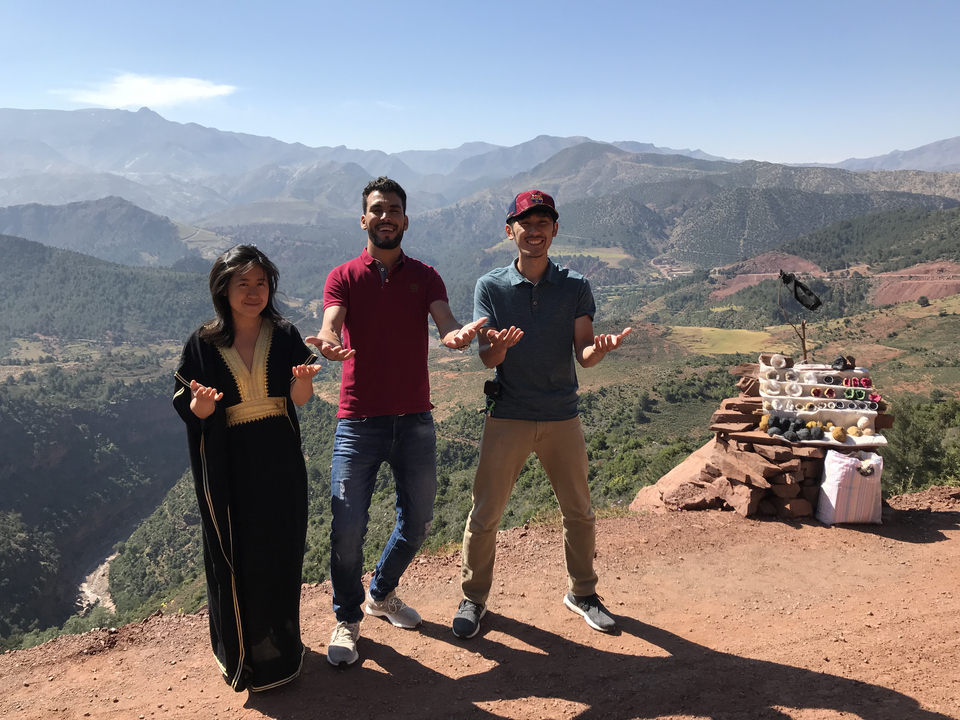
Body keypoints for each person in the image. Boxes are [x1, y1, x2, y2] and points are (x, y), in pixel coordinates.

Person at [306, 176, 486, 666]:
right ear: (364, 219)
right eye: (377, 210)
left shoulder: (425, 276)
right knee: (347, 527)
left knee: (420, 521)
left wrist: (456, 336)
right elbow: (331, 320)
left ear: (406, 220)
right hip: (358, 421)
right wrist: (327, 338)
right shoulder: (343, 275)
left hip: (414, 421)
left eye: (394, 211)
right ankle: (348, 619)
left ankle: (380, 594)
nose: (386, 217)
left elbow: (445, 323)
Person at [452, 190, 632, 639]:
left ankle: (583, 593)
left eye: (543, 224)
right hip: (508, 414)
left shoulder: (575, 286)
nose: (534, 232)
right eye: (525, 224)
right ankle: (473, 599)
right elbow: (487, 359)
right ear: (509, 230)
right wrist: (500, 347)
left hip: (561, 415)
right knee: (486, 512)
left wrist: (600, 350)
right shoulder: (489, 287)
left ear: (554, 229)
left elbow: (584, 354)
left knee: (579, 511)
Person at [173, 245, 320, 692]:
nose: (254, 292)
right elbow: (190, 407)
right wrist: (200, 405)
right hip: (229, 463)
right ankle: (242, 656)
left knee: (281, 552)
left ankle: (280, 649)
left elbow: (298, 401)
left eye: (261, 283)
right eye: (243, 283)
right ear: (224, 289)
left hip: (279, 459)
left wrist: (304, 382)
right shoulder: (203, 342)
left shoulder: (287, 332)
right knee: (237, 556)